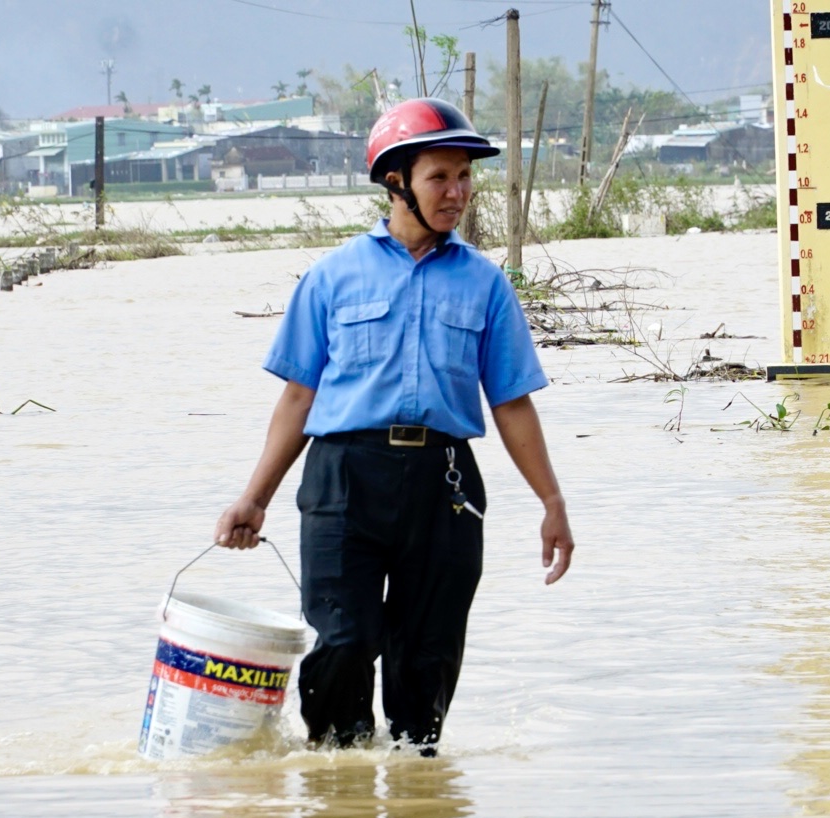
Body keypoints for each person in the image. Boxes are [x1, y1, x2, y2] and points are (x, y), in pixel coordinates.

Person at [213, 98, 574, 756]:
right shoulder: (332, 278)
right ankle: (338, 779)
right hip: (343, 481)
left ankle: (416, 792)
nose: (457, 193)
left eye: (464, 177)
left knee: (426, 660)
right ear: (395, 182)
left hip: (445, 485)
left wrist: (552, 502)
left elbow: (512, 404)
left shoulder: (485, 284)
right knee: (343, 642)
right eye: (440, 178)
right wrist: (254, 498)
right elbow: (298, 397)